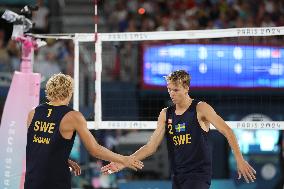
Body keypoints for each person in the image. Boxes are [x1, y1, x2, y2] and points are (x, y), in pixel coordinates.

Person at [101, 70, 256, 189]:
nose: (171, 93)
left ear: (186, 88)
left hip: (198, 175)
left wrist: (239, 159)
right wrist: (123, 162)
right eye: (169, 89)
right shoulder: (165, 113)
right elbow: (151, 146)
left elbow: (227, 131)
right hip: (177, 175)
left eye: (175, 90)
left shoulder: (201, 108)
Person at [24, 73, 143, 189]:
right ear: (69, 92)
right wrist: (124, 159)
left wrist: (63, 159)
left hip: (32, 181)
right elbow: (95, 150)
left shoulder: (33, 113)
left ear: (49, 90)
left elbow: (39, 147)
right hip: (54, 182)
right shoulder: (73, 116)